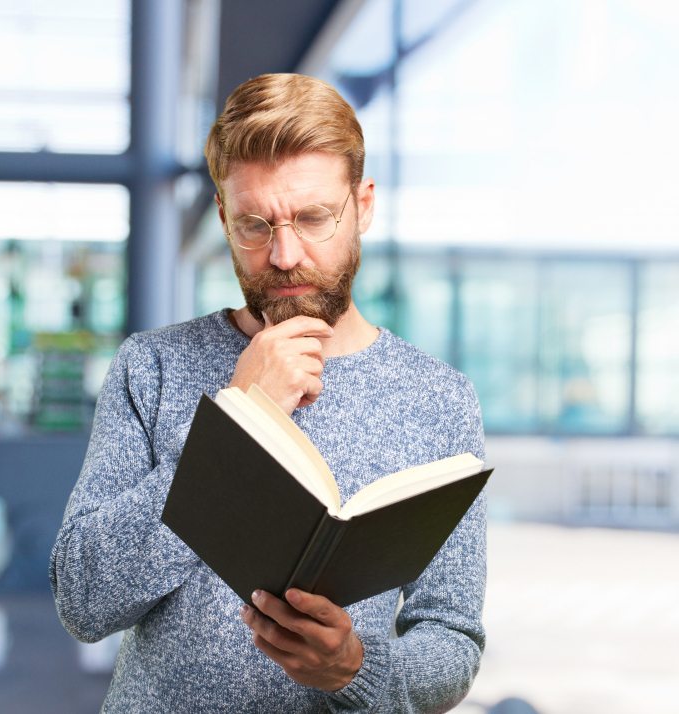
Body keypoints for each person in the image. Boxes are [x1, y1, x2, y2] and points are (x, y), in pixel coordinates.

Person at [50, 73, 486, 713]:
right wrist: (240, 423)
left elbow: (452, 638)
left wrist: (353, 670)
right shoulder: (153, 365)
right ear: (224, 217)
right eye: (255, 225)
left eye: (312, 217)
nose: (283, 255)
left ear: (362, 205)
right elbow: (84, 600)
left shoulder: (439, 399)